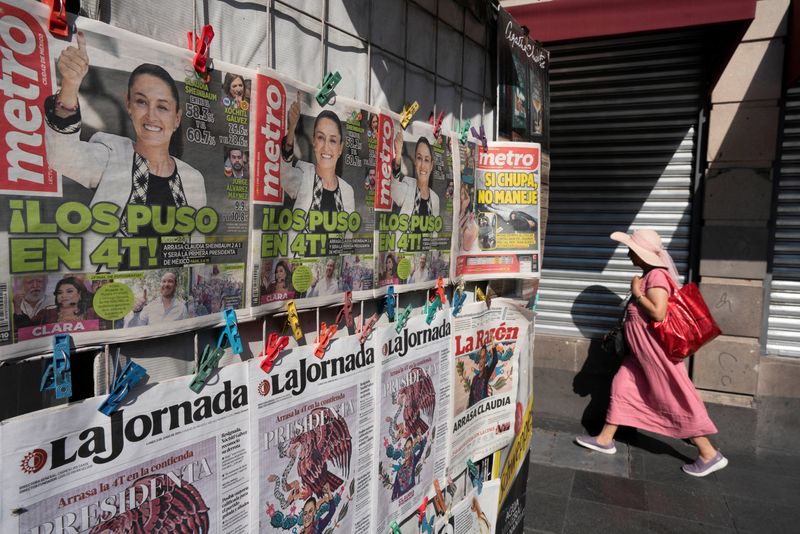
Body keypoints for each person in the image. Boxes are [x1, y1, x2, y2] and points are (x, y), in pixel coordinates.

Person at [44, 33, 206, 269]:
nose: (151, 116)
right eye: (141, 102)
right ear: (128, 105)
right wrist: (70, 86)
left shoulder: (192, 179)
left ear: (177, 118)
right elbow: (62, 156)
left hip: (168, 296)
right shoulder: (112, 155)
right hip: (110, 298)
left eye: (162, 107)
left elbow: (195, 252)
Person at [575, 228, 727, 477]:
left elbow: (658, 312)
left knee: (671, 397)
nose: (628, 255)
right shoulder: (648, 274)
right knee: (622, 386)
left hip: (654, 355)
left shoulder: (656, 276)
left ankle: (708, 453)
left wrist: (637, 294)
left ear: (641, 253)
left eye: (631, 250)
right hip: (639, 355)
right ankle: (605, 439)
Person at [281, 94, 355, 240]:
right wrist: (291, 130)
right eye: (321, 138)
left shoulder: (347, 191)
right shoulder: (304, 175)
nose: (326, 147)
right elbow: (283, 174)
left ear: (340, 148)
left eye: (333, 141)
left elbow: (348, 237)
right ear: (314, 141)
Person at [391, 134, 440, 219]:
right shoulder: (407, 185)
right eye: (419, 158)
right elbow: (394, 191)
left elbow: (435, 231)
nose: (422, 165)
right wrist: (398, 154)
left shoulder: (435, 199)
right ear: (415, 162)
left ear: (431, 165)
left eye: (427, 160)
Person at [459, 183, 479, 252]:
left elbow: (466, 247)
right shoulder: (465, 214)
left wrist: (463, 208)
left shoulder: (471, 222)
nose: (458, 198)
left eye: (461, 194)